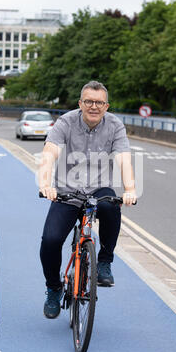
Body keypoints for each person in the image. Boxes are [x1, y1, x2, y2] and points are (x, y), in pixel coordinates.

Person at [38, 80, 137, 319]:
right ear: (80, 103)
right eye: (89, 101)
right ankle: (53, 288)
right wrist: (45, 185)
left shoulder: (115, 125)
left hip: (98, 189)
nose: (94, 106)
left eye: (99, 102)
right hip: (67, 192)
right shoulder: (65, 122)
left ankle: (104, 262)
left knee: (111, 206)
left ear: (106, 106)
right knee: (50, 241)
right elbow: (49, 153)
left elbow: (124, 158)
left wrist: (130, 188)